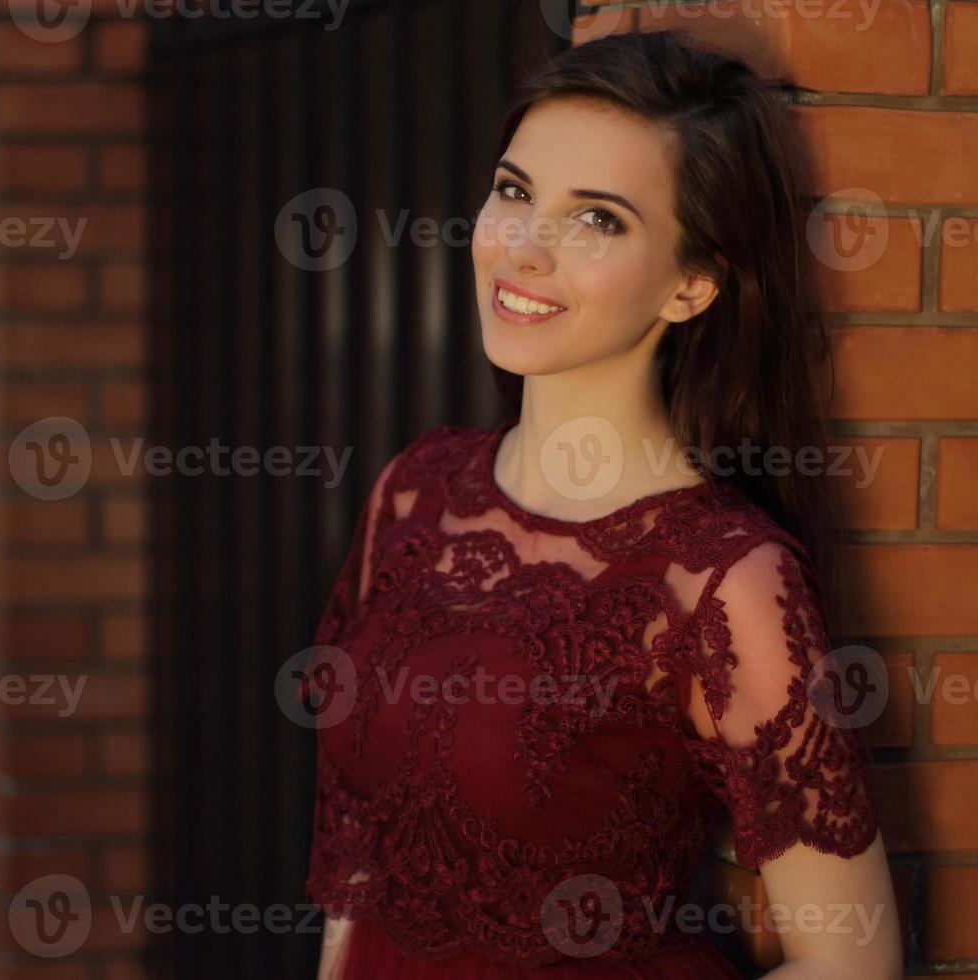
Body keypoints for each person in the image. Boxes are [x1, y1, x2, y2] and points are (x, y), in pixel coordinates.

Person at [301, 29, 902, 980]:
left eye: (598, 221)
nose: (523, 248)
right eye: (513, 192)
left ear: (692, 281)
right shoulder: (415, 492)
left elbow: (853, 964)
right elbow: (359, 863)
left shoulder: (724, 578)